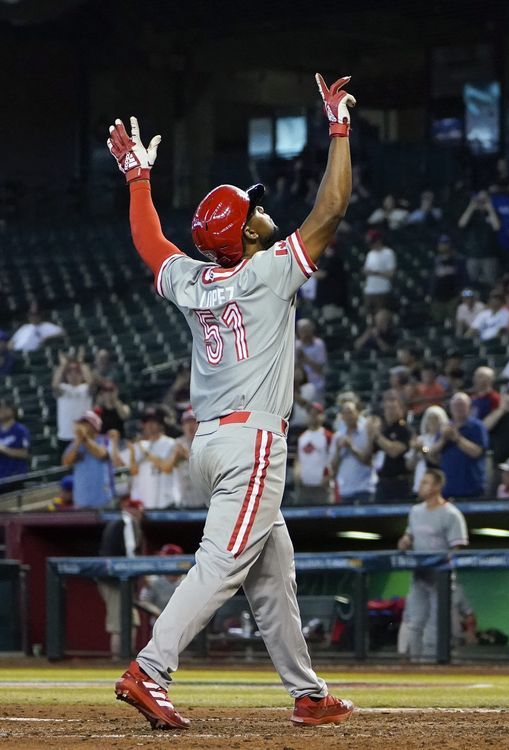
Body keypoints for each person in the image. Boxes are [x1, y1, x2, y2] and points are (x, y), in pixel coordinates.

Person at [104, 73, 355, 729]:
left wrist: (137, 180)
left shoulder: (192, 278)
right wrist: (338, 128)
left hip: (212, 444)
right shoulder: (269, 273)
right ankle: (150, 670)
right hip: (252, 444)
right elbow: (331, 209)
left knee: (273, 576)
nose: (263, 212)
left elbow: (148, 242)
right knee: (221, 563)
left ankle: (306, 692)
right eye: (253, 211)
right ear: (243, 235)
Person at [397, 469, 469, 661]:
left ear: (437, 486)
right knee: (415, 622)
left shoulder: (451, 513)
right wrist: (404, 541)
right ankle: (415, 664)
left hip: (441, 578)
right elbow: (409, 536)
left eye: (426, 483)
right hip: (419, 575)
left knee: (435, 625)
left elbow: (457, 547)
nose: (421, 486)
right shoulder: (415, 511)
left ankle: (431, 666)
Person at [97, 498, 145, 658]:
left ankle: (124, 657)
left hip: (117, 579)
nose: (141, 515)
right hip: (116, 580)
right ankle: (117, 659)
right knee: (119, 623)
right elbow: (130, 551)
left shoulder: (115, 522)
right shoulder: (126, 522)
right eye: (139, 511)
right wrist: (134, 572)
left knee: (130, 620)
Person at [433, 392, 488, 499]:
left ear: (469, 407)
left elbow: (476, 452)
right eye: (456, 405)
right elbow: (432, 454)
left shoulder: (477, 427)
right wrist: (443, 439)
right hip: (447, 488)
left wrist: (457, 438)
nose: (459, 408)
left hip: (472, 487)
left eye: (462, 405)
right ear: (451, 408)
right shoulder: (445, 427)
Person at [127, 408, 180, 510]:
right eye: (146, 422)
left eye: (153, 421)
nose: (149, 425)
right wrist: (132, 454)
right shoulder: (141, 445)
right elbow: (133, 471)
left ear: (161, 423)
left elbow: (166, 467)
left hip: (167, 502)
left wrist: (146, 453)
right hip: (146, 502)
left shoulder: (172, 443)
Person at [62, 410, 115, 509]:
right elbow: (66, 462)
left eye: (85, 423)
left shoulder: (105, 440)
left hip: (102, 501)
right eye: (81, 423)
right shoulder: (75, 443)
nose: (81, 426)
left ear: (94, 425)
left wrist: (85, 439)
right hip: (81, 501)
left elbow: (101, 454)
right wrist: (78, 441)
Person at [369, 393, 412, 503]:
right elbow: (370, 454)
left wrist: (377, 435)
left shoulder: (404, 430)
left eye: (393, 408)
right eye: (387, 409)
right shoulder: (383, 430)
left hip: (399, 482)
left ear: (400, 410)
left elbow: (394, 451)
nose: (390, 412)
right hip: (382, 482)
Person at [331, 399, 376, 504]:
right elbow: (333, 467)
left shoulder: (366, 433)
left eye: (350, 412)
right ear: (342, 416)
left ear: (358, 413)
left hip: (365, 488)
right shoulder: (337, 437)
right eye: (345, 413)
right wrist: (338, 450)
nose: (348, 416)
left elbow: (368, 461)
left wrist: (351, 447)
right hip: (345, 490)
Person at [52, 351, 95, 454]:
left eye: (77, 371)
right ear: (66, 375)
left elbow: (92, 384)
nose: (73, 374)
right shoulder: (63, 388)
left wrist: (81, 363)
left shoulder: (85, 389)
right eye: (70, 371)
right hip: (65, 436)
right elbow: (54, 385)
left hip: (85, 436)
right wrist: (63, 365)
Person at [294, 402, 333, 505]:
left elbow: (335, 459)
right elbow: (298, 458)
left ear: (322, 417)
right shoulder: (302, 437)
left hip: (322, 486)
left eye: (317, 414)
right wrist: (297, 474)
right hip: (304, 486)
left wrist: (328, 478)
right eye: (311, 414)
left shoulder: (328, 436)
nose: (313, 417)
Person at [138, 544, 187, 625]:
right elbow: (144, 601)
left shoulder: (188, 579)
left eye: (166, 558)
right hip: (160, 625)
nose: (162, 561)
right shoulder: (154, 580)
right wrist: (159, 614)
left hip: (183, 624)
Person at [361, 229, 396, 311]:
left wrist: (375, 273)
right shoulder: (370, 254)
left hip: (382, 290)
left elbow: (391, 274)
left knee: (382, 316)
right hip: (369, 291)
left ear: (378, 241)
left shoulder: (388, 253)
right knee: (369, 317)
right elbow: (366, 270)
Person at [0, 400, 30, 484]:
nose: (2, 411)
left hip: (15, 477)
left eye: (5, 408)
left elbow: (24, 454)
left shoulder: (20, 430)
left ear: (13, 411)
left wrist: (3, 449)